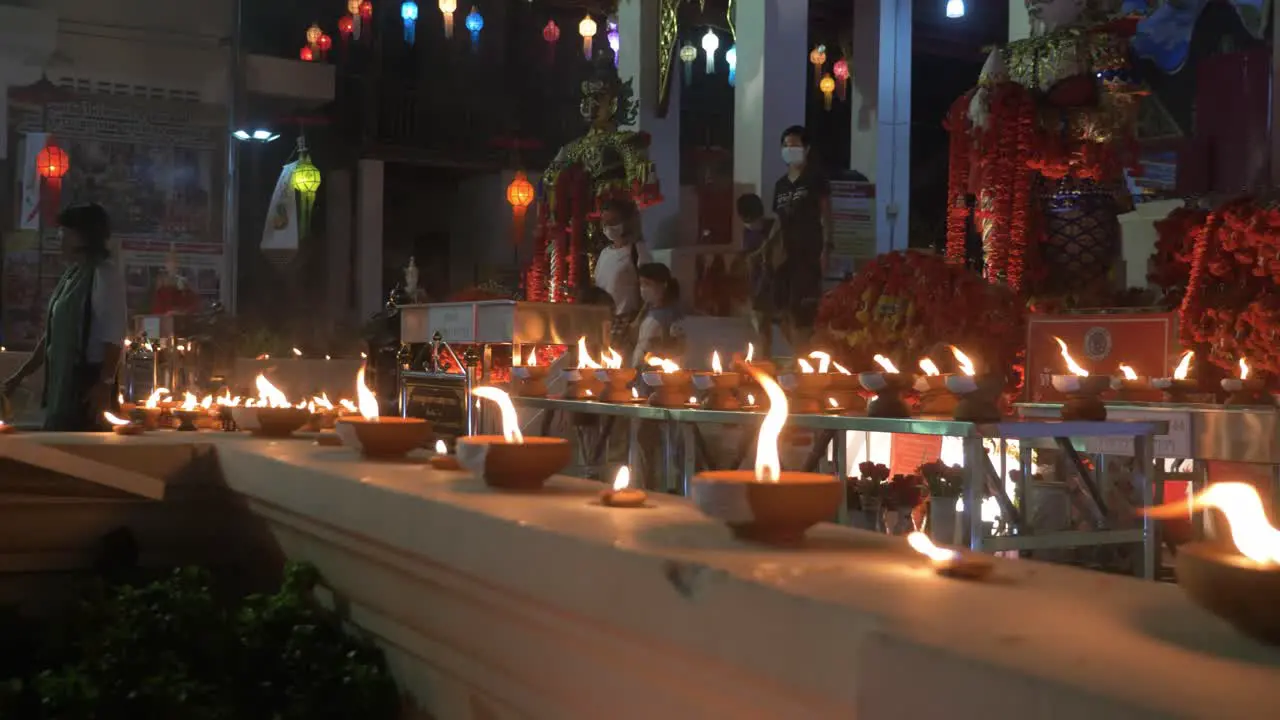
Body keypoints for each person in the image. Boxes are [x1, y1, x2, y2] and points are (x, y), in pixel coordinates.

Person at [2, 203, 127, 431]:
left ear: (83, 237)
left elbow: (114, 337)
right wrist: (19, 376)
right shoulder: (73, 273)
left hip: (87, 385)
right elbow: (52, 336)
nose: (60, 238)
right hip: (63, 383)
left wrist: (104, 384)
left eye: (65, 232)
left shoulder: (104, 275)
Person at [772, 125, 832, 347]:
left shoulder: (815, 178)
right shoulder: (780, 185)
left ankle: (803, 359)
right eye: (786, 145)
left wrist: (827, 248)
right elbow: (778, 221)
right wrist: (767, 250)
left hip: (808, 254)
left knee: (803, 311)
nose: (790, 149)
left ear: (806, 148)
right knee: (778, 311)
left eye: (795, 145)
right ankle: (799, 353)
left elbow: (826, 215)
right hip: (784, 256)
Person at [593, 198, 652, 349]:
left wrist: (637, 323)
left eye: (614, 221)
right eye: (605, 222)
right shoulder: (605, 253)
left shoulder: (637, 251)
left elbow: (650, 294)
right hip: (602, 323)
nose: (608, 227)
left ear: (626, 222)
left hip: (626, 325)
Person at [737, 193, 782, 358]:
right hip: (757, 285)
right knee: (762, 325)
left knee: (785, 322)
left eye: (752, 220)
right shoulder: (747, 233)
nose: (750, 224)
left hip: (776, 283)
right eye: (746, 221)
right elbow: (747, 257)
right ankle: (765, 359)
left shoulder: (775, 228)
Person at [630, 262, 685, 367]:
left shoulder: (672, 316)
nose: (643, 289)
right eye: (641, 284)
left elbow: (678, 348)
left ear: (663, 285)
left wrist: (655, 354)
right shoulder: (647, 312)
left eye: (647, 284)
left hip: (656, 373)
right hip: (640, 371)